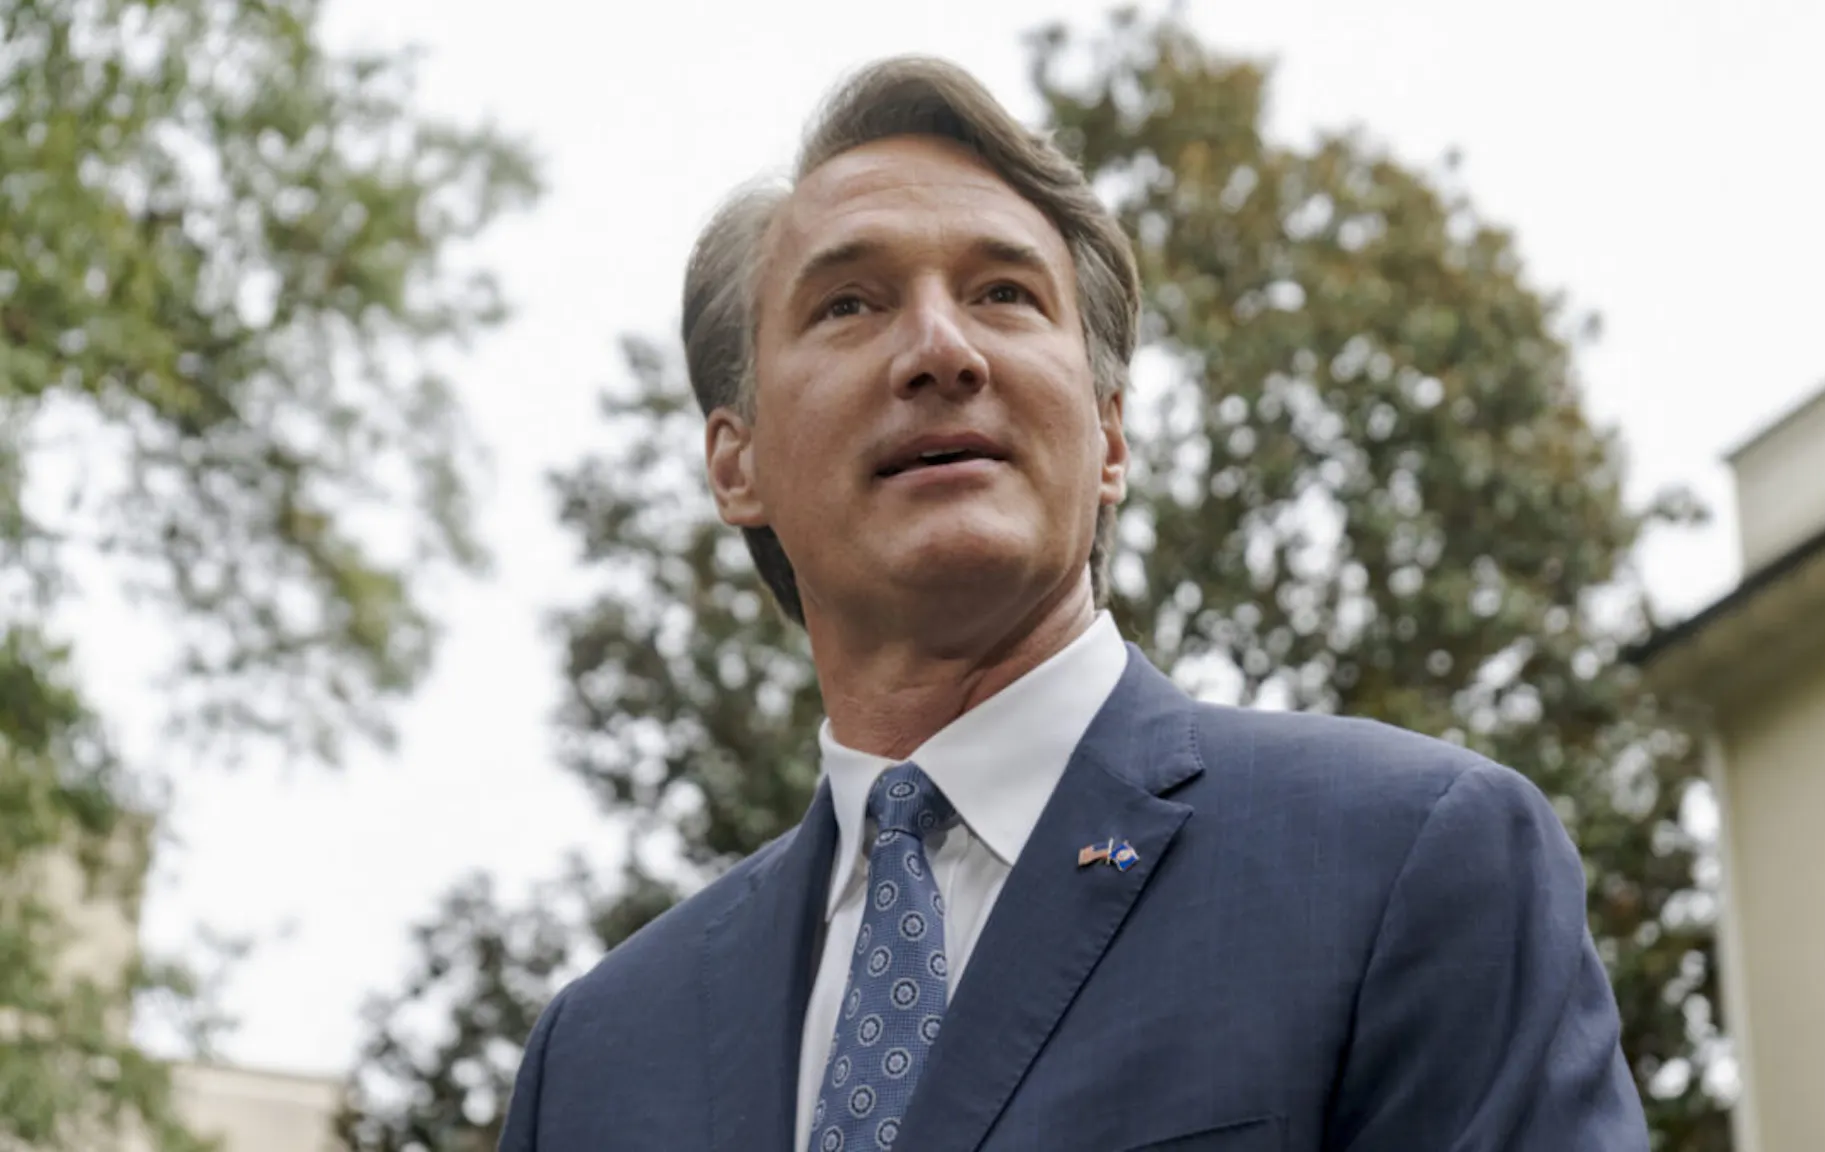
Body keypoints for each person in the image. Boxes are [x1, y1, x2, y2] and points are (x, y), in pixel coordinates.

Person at [498, 55, 1649, 1152]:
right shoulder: (596, 1062)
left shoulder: (1407, 863)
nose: (940, 350)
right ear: (733, 463)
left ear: (1107, 433)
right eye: (849, 304)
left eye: (1002, 293)